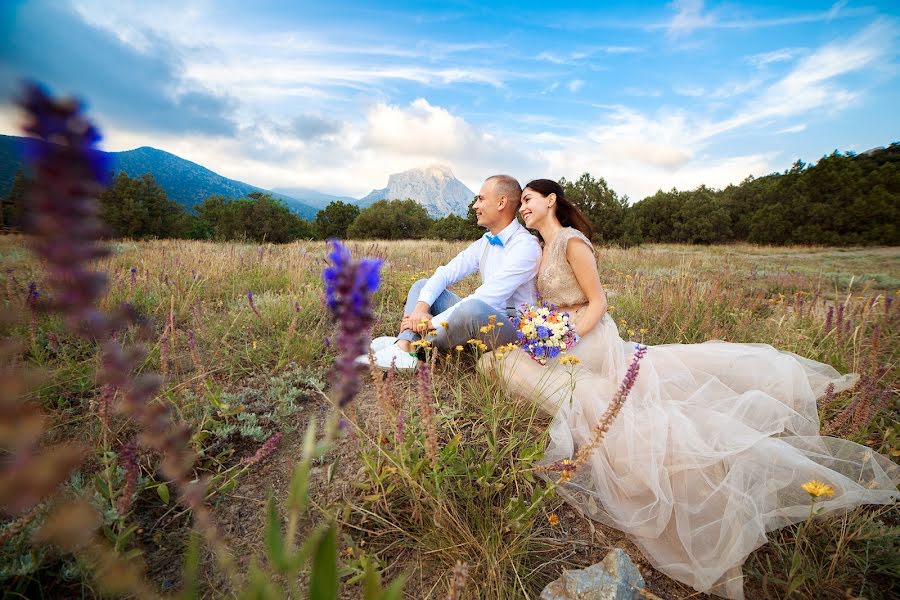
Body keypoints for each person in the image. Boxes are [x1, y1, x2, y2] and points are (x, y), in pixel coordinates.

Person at [480, 179, 900, 600]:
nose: (524, 209)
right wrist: (542, 329)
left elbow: (598, 302)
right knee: (499, 363)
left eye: (529, 201)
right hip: (558, 331)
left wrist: (565, 338)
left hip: (587, 335)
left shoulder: (573, 242)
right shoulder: (538, 248)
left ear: (550, 200)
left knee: (549, 377)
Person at [360, 174, 541, 371]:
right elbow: (446, 273)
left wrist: (429, 323)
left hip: (512, 327)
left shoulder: (525, 246)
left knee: (472, 307)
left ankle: (408, 343)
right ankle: (404, 346)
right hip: (481, 316)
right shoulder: (485, 241)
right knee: (423, 285)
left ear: (501, 202)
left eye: (480, 199)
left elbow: (488, 298)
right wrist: (421, 310)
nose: (475, 206)